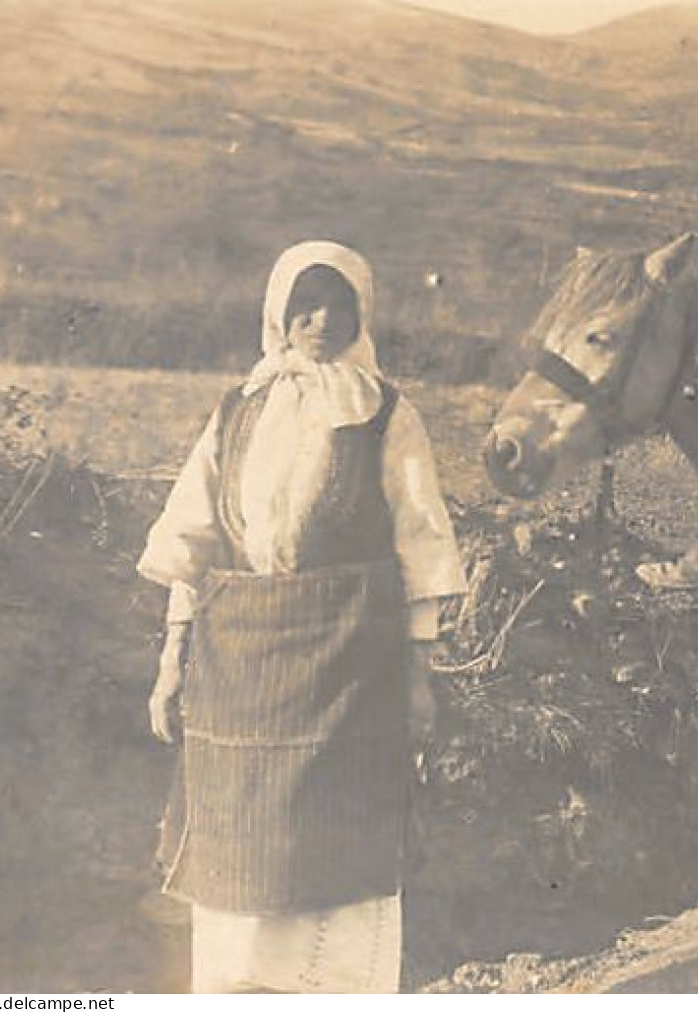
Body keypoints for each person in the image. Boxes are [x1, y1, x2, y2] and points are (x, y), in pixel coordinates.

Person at [138, 241, 468, 992]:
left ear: (361, 315)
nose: (320, 321)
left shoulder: (385, 412)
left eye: (339, 306)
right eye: (305, 304)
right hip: (238, 665)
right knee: (240, 840)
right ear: (278, 311)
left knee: (333, 836)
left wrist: (419, 676)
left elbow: (422, 542)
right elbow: (190, 541)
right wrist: (169, 664)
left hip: (349, 665)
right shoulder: (236, 409)